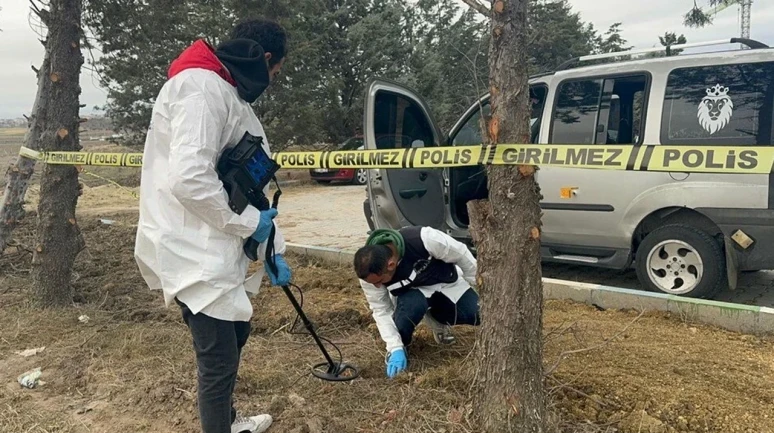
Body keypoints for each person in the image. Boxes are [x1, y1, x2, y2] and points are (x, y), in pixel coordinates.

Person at [134, 18, 291, 433]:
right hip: (193, 249)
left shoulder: (224, 91)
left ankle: (229, 421)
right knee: (218, 361)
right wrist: (249, 224)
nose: (272, 82)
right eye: (275, 74)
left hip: (214, 244)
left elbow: (239, 177)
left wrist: (268, 244)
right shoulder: (199, 87)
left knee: (236, 333)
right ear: (266, 59)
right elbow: (190, 180)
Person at [353, 226, 481, 378]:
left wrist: (481, 288)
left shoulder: (425, 239)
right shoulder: (369, 273)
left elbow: (462, 255)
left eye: (380, 281)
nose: (378, 286)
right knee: (410, 311)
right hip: (413, 295)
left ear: (391, 265)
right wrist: (395, 347)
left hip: (447, 283)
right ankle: (404, 348)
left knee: (478, 313)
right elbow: (381, 309)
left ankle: (437, 319)